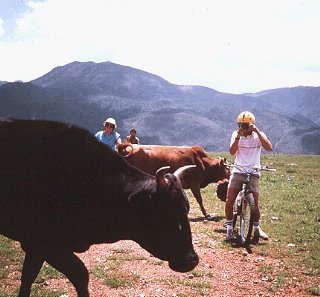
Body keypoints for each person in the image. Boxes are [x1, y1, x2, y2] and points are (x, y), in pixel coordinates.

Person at [225, 111, 272, 242]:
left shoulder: (258, 135)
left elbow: (269, 148)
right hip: (238, 169)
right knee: (229, 199)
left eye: (245, 125)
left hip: (253, 171)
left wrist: (256, 131)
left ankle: (257, 228)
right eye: (240, 125)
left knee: (255, 204)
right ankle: (229, 228)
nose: (242, 128)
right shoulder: (236, 134)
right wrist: (238, 137)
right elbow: (232, 152)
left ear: (251, 124)